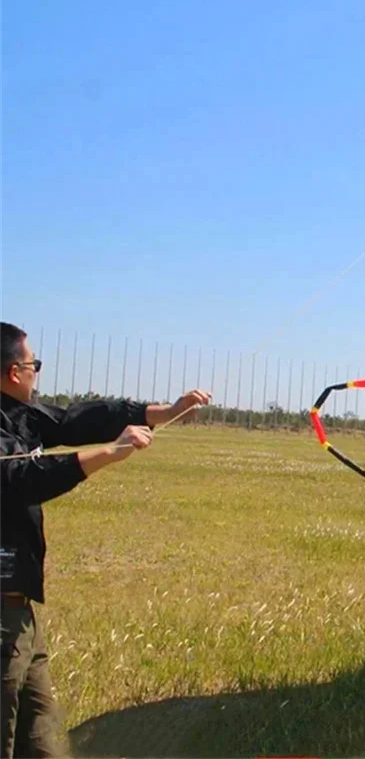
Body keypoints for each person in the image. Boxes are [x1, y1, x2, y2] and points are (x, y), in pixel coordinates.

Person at [0, 322, 211, 757]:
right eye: (33, 364)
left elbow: (80, 418)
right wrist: (110, 454)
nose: (38, 372)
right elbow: (20, 478)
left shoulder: (20, 413)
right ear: (12, 373)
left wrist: (165, 411)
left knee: (44, 743)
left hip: (20, 615)